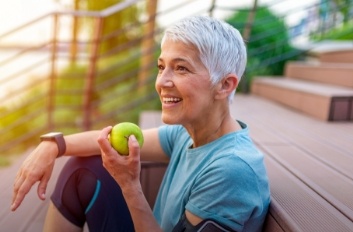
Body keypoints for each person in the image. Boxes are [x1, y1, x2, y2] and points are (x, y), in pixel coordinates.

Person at [11, 15, 270, 232]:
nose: (162, 82)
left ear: (224, 85)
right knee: (83, 167)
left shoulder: (231, 171)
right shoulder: (189, 133)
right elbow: (106, 139)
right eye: (161, 67)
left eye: (181, 69)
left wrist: (129, 185)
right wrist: (53, 145)